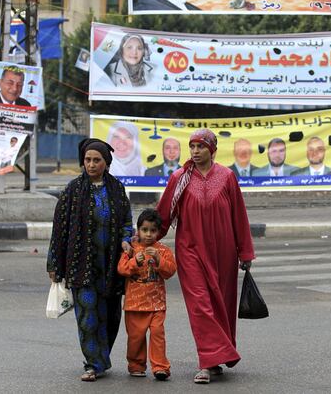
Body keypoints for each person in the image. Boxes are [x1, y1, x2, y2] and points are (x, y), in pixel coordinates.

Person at [157, 129, 255, 385]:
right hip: (190, 250)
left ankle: (216, 359)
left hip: (224, 252)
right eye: (192, 146)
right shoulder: (179, 178)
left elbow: (239, 217)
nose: (196, 151)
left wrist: (245, 252)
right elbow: (163, 215)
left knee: (220, 304)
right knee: (200, 304)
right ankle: (208, 360)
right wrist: (142, 240)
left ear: (212, 149)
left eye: (201, 146)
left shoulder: (227, 177)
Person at [47, 138, 133, 382]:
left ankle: (102, 358)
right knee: (88, 317)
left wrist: (127, 238)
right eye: (88, 160)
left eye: (97, 160)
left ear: (106, 163)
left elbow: (127, 220)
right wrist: (54, 263)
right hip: (81, 265)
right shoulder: (72, 191)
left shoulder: (117, 189)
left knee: (111, 316)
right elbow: (59, 230)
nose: (92, 165)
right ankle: (93, 364)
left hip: (112, 266)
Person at [117, 208, 177, 381]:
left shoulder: (163, 251)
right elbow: (122, 269)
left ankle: (160, 367)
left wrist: (158, 260)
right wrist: (135, 261)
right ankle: (136, 365)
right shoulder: (131, 249)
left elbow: (170, 271)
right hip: (134, 304)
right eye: (145, 230)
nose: (149, 234)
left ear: (158, 232)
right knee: (135, 338)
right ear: (138, 230)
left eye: (153, 230)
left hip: (156, 304)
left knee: (158, 335)